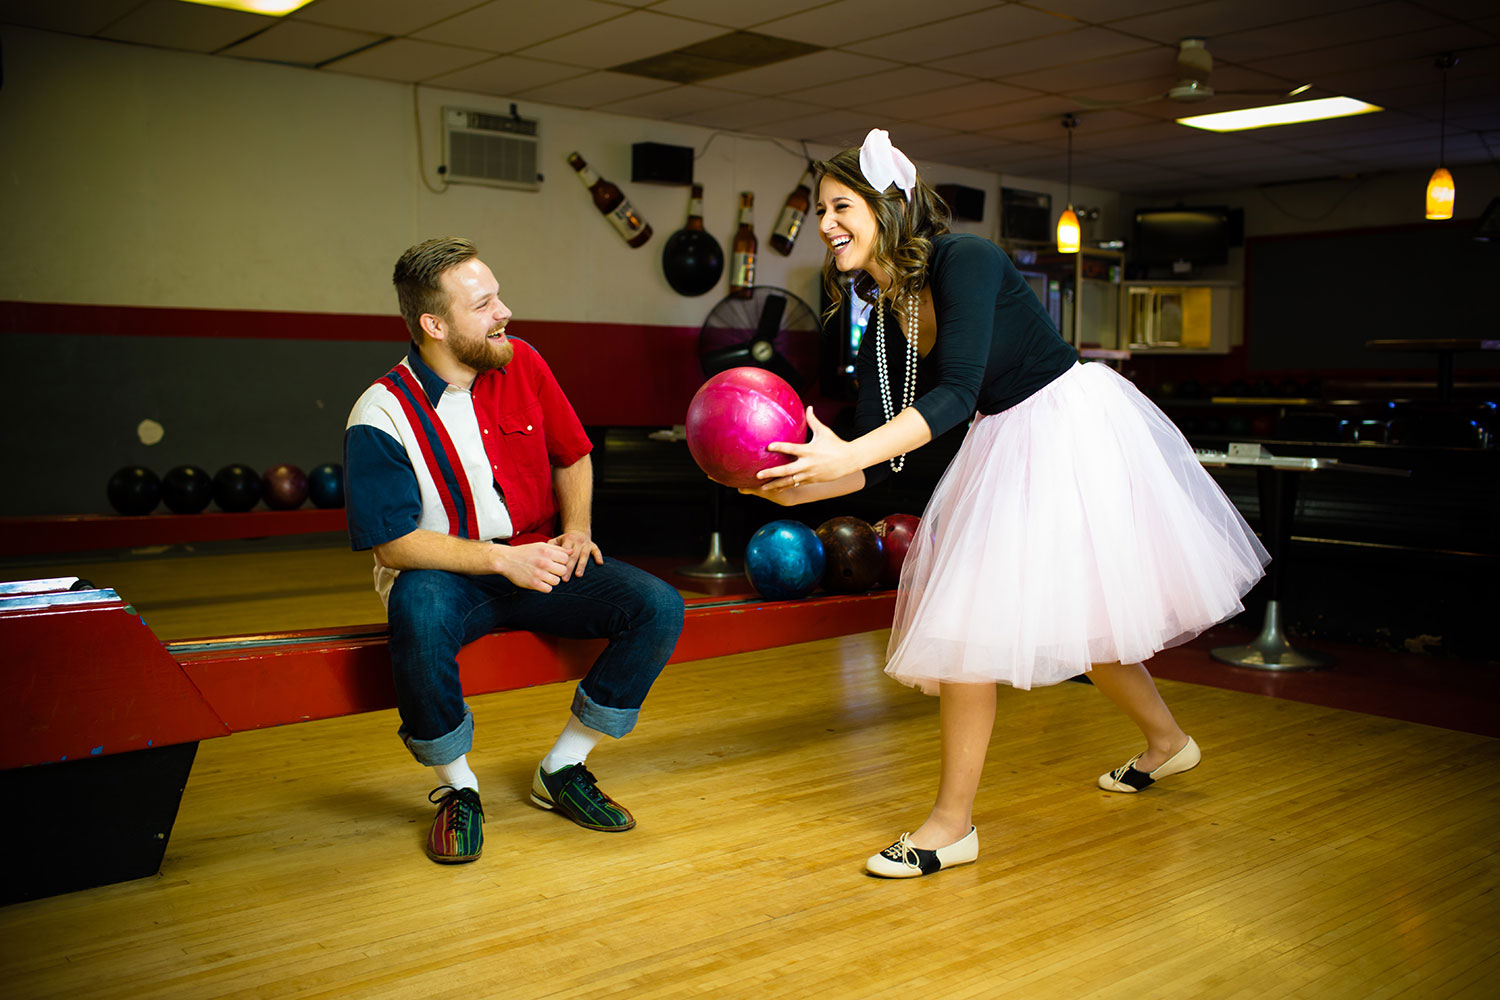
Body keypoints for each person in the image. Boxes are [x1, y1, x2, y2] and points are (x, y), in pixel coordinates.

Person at [742, 131, 1269, 878]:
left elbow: (956, 393)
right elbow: (882, 458)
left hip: (1066, 430)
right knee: (1091, 623)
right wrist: (790, 480)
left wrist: (848, 454)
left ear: (889, 206)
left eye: (839, 206)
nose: (824, 223)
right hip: (1006, 440)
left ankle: (949, 827)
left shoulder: (969, 261)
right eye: (819, 209)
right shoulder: (889, 309)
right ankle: (1168, 744)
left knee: (967, 632)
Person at [344, 237, 684, 865]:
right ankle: (458, 790)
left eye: (498, 295)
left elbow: (573, 452)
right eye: (485, 304)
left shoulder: (522, 361)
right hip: (447, 575)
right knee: (415, 615)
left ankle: (562, 768)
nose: (506, 311)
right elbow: (393, 544)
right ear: (435, 324)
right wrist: (502, 560)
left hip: (540, 556)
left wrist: (577, 529)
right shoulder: (379, 413)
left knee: (657, 606)